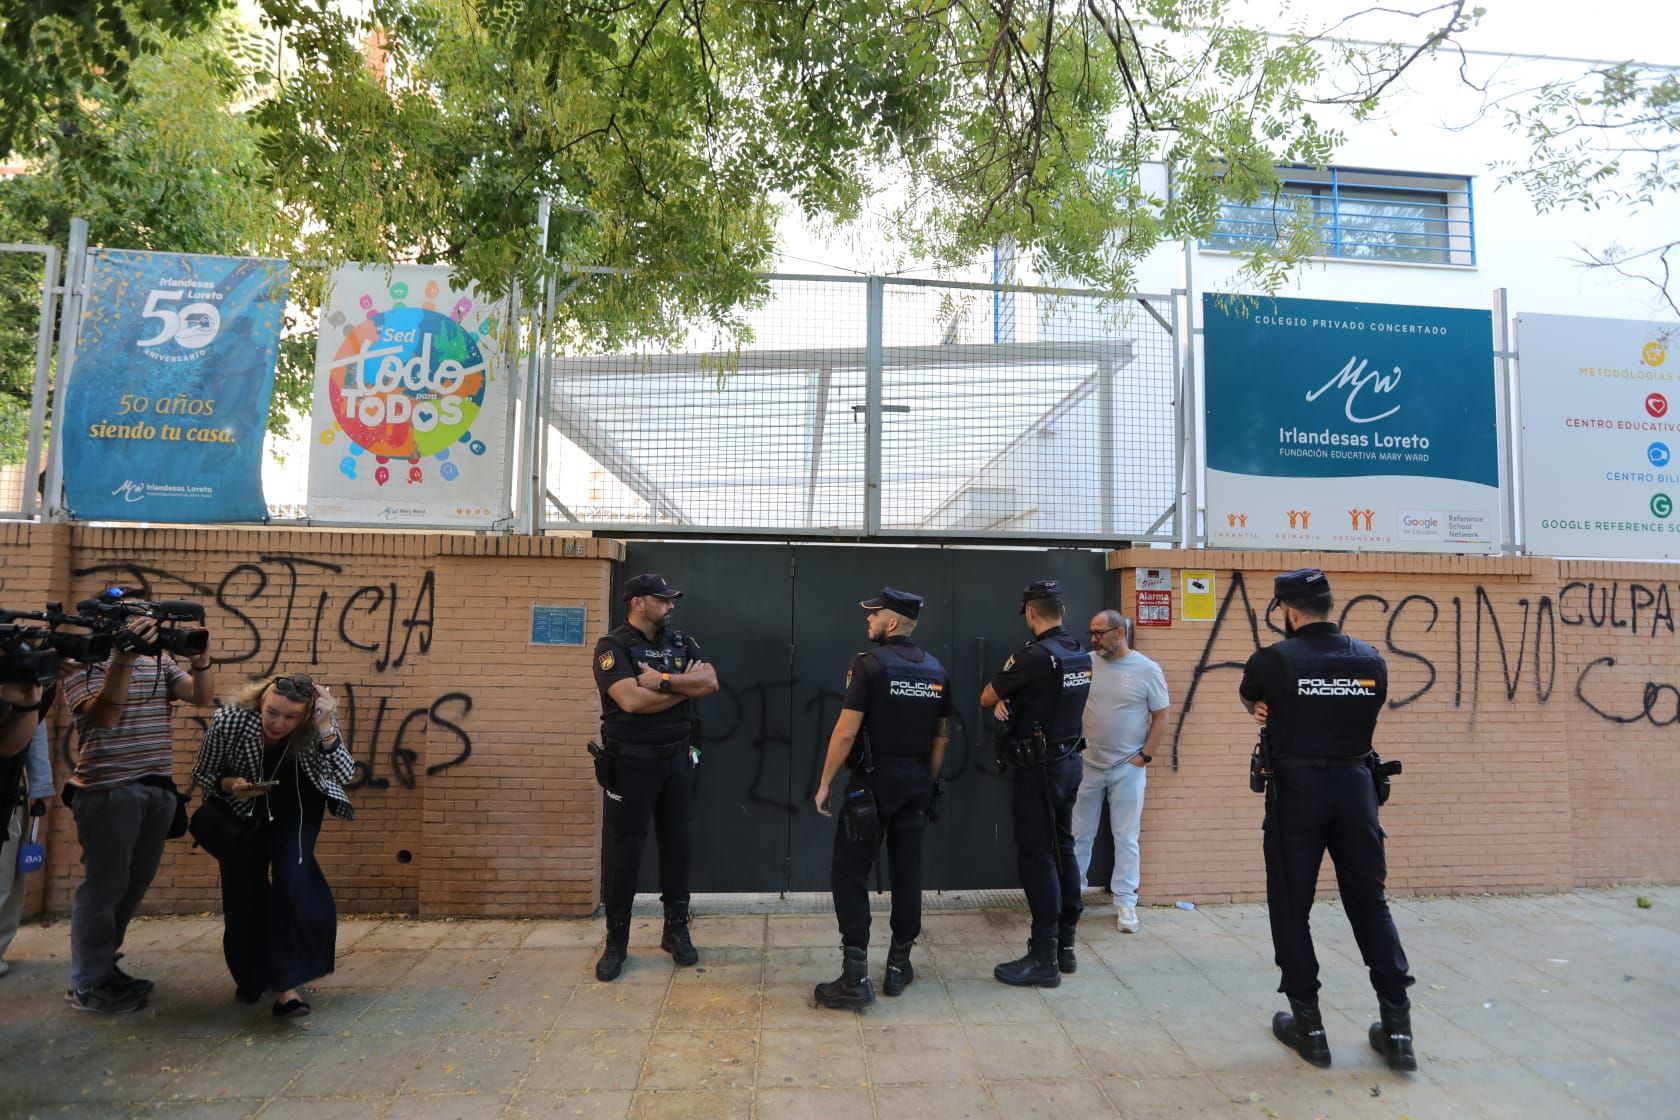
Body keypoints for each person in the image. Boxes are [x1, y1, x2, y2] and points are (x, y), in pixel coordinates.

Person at [1239, 568, 1417, 1072]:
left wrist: (1263, 706)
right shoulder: (1371, 660)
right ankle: (1399, 1031)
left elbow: (1252, 691)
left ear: (1289, 613)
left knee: (1292, 907)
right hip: (1356, 791)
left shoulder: (1275, 660)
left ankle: (1309, 1028)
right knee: (1370, 904)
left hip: (1298, 795)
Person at [59, 611, 214, 1013]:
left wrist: (200, 659)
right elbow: (105, 716)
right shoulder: (81, 663)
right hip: (107, 789)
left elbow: (201, 697)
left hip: (156, 787)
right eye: (136, 619)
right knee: (104, 887)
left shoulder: (159, 660)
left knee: (134, 884)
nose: (148, 627)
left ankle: (102, 967)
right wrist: (122, 657)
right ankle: (86, 985)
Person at [812, 587, 952, 1009]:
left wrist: (825, 783)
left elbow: (846, 730)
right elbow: (942, 737)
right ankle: (897, 967)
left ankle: (855, 978)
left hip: (871, 782)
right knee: (907, 871)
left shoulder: (869, 665)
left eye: (873, 615)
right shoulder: (936, 669)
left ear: (892, 623)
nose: (868, 621)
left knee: (850, 873)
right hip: (915, 782)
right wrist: (926, 781)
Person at [192, 673, 353, 1018]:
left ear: (306, 714)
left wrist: (326, 727)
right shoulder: (230, 721)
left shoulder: (316, 726)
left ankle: (286, 988)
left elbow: (344, 774)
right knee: (243, 896)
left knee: (293, 884)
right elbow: (203, 773)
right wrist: (231, 784)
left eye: (290, 717)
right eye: (272, 712)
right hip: (241, 813)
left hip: (297, 810)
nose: (278, 723)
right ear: (260, 703)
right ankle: (252, 976)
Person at [591, 572, 719, 982]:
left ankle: (676, 930)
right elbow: (630, 700)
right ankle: (617, 942)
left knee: (678, 844)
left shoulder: (681, 642)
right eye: (662, 600)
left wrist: (662, 681)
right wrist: (687, 687)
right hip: (631, 762)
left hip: (677, 759)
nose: (670, 606)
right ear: (637, 603)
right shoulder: (613, 647)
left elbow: (711, 681)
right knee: (625, 851)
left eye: (670, 599)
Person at [980, 579, 1091, 987]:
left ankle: (1042, 957)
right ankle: (1065, 947)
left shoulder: (1032, 657)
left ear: (1030, 613)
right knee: (1063, 848)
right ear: (1062, 610)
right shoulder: (1079, 653)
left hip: (1039, 769)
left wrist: (1006, 698)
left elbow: (987, 696)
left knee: (1036, 856)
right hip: (1069, 763)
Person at [1073, 611, 1168, 933]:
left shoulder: (1146, 669)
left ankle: (1126, 903)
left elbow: (1161, 716)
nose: (1094, 638)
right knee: (1078, 835)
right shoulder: (1085, 663)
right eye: (1092, 633)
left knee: (1126, 837)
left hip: (1128, 767)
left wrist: (1145, 757)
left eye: (1100, 632)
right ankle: (1074, 898)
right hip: (1087, 764)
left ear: (1121, 632)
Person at [0, 721, 53, 977]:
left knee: (6, 876)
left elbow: (34, 725)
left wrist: (41, 785)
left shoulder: (23, 684)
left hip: (10, 792)